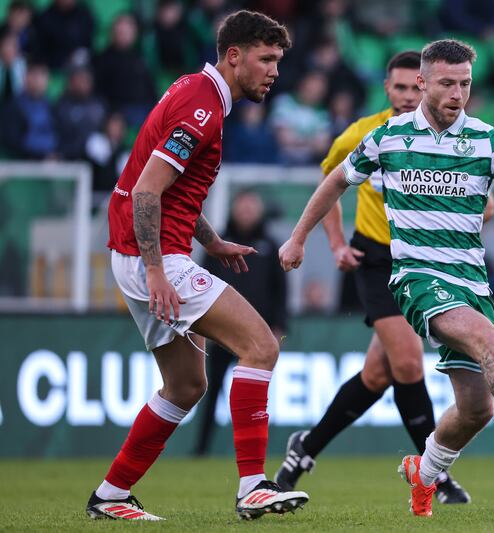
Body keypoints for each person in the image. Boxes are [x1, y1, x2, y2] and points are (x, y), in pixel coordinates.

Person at [279, 39, 494, 518]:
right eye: (447, 83)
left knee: (476, 410)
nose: (457, 93)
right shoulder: (387, 137)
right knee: (487, 342)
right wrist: (299, 238)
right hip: (416, 279)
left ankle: (423, 474)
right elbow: (335, 181)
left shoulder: (487, 140)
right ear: (423, 83)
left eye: (465, 84)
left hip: (471, 283)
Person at [85, 11, 308, 521]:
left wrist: (212, 240)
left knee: (187, 385)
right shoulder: (202, 109)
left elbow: (170, 189)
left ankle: (111, 495)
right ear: (234, 56)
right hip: (154, 258)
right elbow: (147, 191)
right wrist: (158, 271)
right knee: (261, 347)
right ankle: (253, 486)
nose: (274, 72)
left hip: (139, 254)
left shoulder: (195, 91)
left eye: (278, 61)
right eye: (266, 59)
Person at [274, 51, 472, 504]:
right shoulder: (364, 133)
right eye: (398, 87)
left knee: (378, 374)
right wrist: (335, 243)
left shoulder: (449, 136)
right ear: (386, 89)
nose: (406, 96)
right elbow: (330, 181)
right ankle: (435, 474)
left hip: (424, 261)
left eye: (413, 87)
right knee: (408, 364)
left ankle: (305, 449)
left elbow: (486, 204)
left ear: (426, 86)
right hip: (378, 260)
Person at [194, 189, 288, 456]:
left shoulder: (269, 245)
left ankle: (257, 448)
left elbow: (280, 290)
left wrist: (278, 325)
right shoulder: (216, 243)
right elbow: (201, 281)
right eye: (243, 206)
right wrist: (204, 325)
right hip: (222, 331)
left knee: (255, 393)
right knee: (211, 390)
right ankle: (201, 448)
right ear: (234, 209)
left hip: (258, 334)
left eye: (251, 207)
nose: (246, 212)